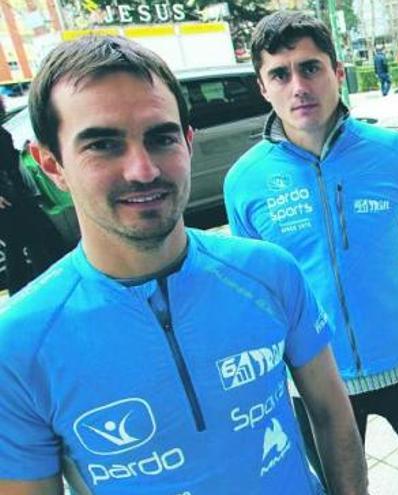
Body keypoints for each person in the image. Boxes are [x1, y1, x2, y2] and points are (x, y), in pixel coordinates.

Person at [0, 35, 368, 495]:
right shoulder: (17, 343)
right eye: (103, 145)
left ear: (188, 143)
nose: (143, 169)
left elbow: (332, 416)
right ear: (51, 163)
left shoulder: (269, 273)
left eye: (161, 138)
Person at [224, 11, 398, 495]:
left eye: (310, 68)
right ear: (263, 88)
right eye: (280, 74)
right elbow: (262, 287)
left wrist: (385, 306)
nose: (298, 86)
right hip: (314, 380)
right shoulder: (245, 181)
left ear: (338, 73)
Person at [0, 98, 68, 294]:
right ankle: (37, 288)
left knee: (31, 242)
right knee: (28, 243)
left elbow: (10, 160)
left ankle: (32, 289)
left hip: (17, 196)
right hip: (9, 201)